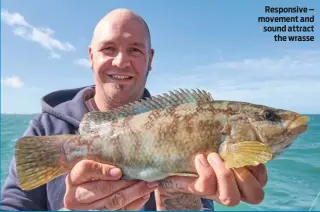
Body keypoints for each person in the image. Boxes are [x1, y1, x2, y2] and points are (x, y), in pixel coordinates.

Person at [1, 8, 268, 211]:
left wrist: (182, 204)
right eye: (108, 49)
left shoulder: (186, 124)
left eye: (134, 50)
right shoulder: (45, 129)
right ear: (91, 56)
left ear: (150, 59)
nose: (121, 61)